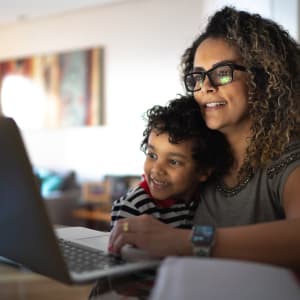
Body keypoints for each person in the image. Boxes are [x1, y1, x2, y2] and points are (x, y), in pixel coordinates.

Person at [109, 6, 300, 271]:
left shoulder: (289, 159)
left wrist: (186, 242)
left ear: (264, 78)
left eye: (222, 72)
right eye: (197, 76)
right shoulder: (200, 157)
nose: (206, 87)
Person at [111, 95, 232, 229]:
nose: (157, 169)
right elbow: (119, 244)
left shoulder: (207, 199)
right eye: (152, 155)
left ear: (203, 171)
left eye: (173, 162)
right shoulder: (134, 207)